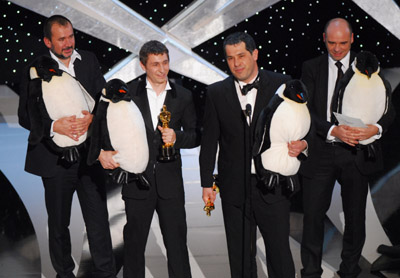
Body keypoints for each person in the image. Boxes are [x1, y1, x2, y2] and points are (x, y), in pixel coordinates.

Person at [200, 31, 307, 278]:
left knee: (279, 253)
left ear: (255, 54)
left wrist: (303, 144)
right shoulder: (216, 93)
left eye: (241, 56)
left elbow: (305, 125)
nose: (236, 63)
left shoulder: (281, 84)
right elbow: (209, 141)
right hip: (234, 186)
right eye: (230, 58)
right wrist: (207, 182)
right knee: (239, 256)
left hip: (272, 183)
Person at [18, 15, 116, 278]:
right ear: (48, 41)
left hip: (89, 157)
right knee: (59, 225)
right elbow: (25, 116)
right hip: (55, 160)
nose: (68, 42)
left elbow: (106, 99)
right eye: (61, 39)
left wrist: (95, 117)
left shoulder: (89, 60)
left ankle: (106, 273)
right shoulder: (36, 69)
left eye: (71, 36)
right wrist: (53, 126)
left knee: (98, 221)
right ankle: (64, 274)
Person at [300, 18, 395, 278]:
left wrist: (375, 129)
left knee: (355, 219)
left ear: (352, 39)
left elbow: (389, 111)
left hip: (356, 154)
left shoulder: (368, 68)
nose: (338, 49)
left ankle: (349, 271)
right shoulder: (312, 67)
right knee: (312, 217)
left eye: (343, 42)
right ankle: (310, 272)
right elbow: (305, 109)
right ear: (324, 39)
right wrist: (333, 130)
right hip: (321, 151)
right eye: (332, 43)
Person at [98, 40, 199, 278]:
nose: (162, 69)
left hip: (170, 183)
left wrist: (177, 137)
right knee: (133, 246)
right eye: (155, 64)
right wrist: (107, 152)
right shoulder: (128, 94)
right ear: (143, 65)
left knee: (176, 245)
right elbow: (107, 128)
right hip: (137, 181)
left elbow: (196, 135)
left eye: (165, 62)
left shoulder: (183, 96)